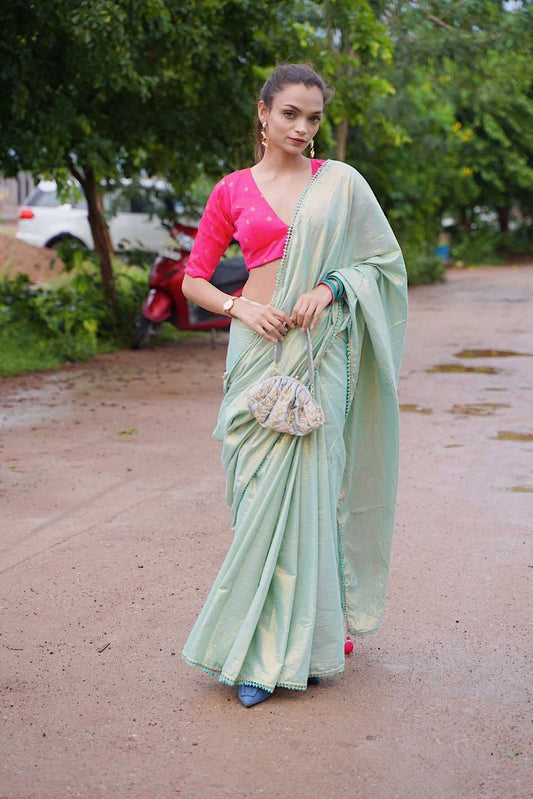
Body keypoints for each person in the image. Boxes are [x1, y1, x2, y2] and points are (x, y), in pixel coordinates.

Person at [181, 63, 408, 708]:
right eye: (290, 114)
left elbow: (382, 263)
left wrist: (330, 287)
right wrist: (241, 308)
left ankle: (280, 653)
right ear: (263, 113)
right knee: (258, 499)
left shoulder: (341, 184)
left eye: (313, 118)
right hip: (256, 353)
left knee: (310, 493)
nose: (303, 128)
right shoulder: (232, 190)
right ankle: (268, 636)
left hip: (317, 353)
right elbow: (194, 280)